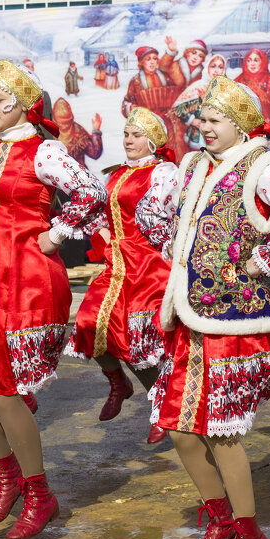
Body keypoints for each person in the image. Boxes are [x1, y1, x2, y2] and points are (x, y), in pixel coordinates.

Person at [151, 75, 270, 539]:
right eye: (201, 120)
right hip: (190, 314)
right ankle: (221, 519)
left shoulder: (263, 165)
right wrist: (177, 254)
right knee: (181, 430)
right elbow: (161, 216)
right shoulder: (196, 166)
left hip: (236, 322)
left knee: (221, 434)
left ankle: (251, 536)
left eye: (214, 120)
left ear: (241, 125)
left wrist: (265, 259)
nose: (203, 127)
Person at [0, 59, 107, 539]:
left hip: (27, 280)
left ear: (22, 105)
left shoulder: (44, 152)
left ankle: (39, 493)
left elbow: (91, 194)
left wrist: (57, 234)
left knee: (6, 392)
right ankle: (7, 474)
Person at [65, 106, 176, 442]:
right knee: (89, 322)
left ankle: (161, 407)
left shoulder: (164, 172)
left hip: (149, 267)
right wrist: (99, 234)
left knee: (141, 343)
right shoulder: (115, 174)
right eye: (126, 134)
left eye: (137, 135)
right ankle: (118, 382)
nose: (129, 140)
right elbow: (103, 216)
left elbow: (166, 220)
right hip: (117, 265)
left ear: (154, 141)